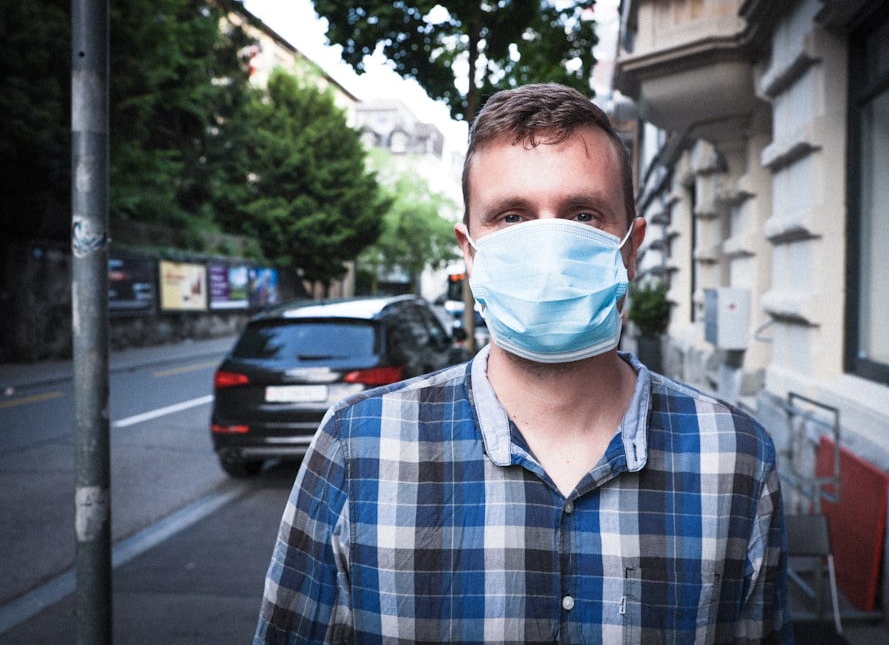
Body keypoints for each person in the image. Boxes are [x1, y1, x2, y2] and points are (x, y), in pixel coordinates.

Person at [255, 83, 792, 643]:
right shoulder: (356, 446)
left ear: (631, 248)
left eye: (583, 214)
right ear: (470, 250)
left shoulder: (737, 458)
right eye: (512, 217)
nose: (548, 250)